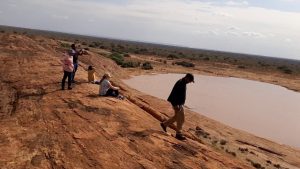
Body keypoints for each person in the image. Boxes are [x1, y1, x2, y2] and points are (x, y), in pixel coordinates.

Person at [160, 73, 194, 140]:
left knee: (177, 117)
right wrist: (176, 105)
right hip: (177, 104)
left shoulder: (183, 82)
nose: (190, 82)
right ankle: (178, 134)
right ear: (187, 78)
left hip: (179, 104)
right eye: (190, 81)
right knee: (181, 119)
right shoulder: (181, 83)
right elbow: (174, 94)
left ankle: (164, 124)